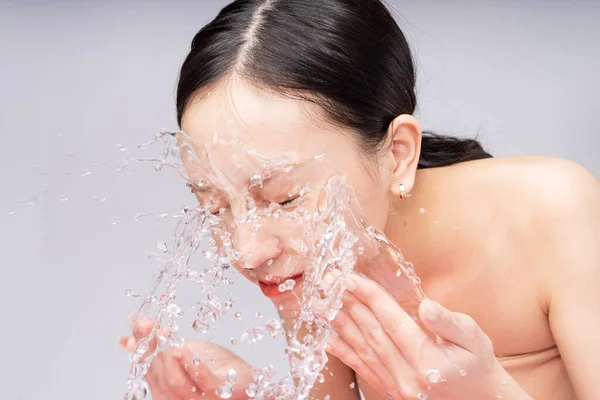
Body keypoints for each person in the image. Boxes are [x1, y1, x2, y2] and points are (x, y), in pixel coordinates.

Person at [120, 0, 600, 399]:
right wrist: (250, 395)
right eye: (215, 206)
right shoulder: (307, 266)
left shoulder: (554, 212)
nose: (247, 251)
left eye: (285, 200)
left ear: (398, 152)